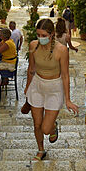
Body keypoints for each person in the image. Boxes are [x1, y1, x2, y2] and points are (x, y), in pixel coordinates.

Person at [24, 18, 79, 160]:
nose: (40, 38)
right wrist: (27, 88)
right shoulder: (33, 46)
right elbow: (31, 69)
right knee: (37, 124)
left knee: (46, 129)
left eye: (44, 35)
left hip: (54, 88)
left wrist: (68, 99)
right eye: (38, 35)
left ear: (52, 34)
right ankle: (41, 150)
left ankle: (53, 126)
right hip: (37, 86)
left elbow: (65, 75)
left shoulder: (61, 50)